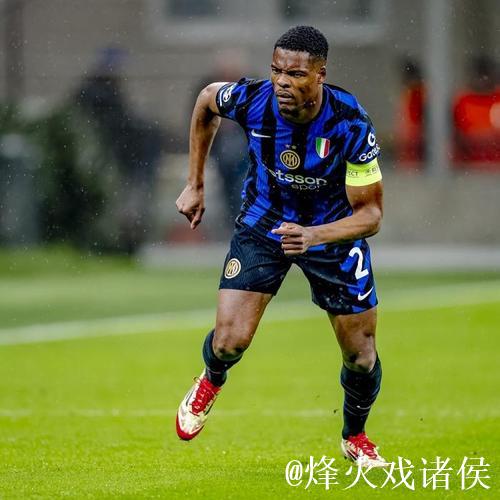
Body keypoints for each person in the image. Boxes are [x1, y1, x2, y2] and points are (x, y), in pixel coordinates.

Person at [175, 26, 386, 468]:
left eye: (295, 74)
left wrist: (313, 236)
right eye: (276, 71)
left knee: (361, 356)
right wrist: (195, 183)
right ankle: (211, 379)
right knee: (229, 341)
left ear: (320, 75)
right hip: (264, 224)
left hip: (331, 233)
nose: (282, 83)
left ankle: (355, 436)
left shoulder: (350, 123)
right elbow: (207, 100)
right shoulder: (254, 100)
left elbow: (370, 216)